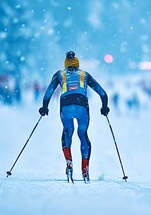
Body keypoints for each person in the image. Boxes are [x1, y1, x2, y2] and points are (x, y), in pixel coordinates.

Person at [39, 51, 110, 183]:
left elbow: (49, 92)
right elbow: (102, 93)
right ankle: (85, 169)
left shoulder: (60, 74)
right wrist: (104, 107)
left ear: (66, 64)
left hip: (66, 104)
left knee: (67, 131)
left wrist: (44, 107)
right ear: (77, 64)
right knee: (83, 134)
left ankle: (69, 162)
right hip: (82, 104)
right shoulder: (85, 74)